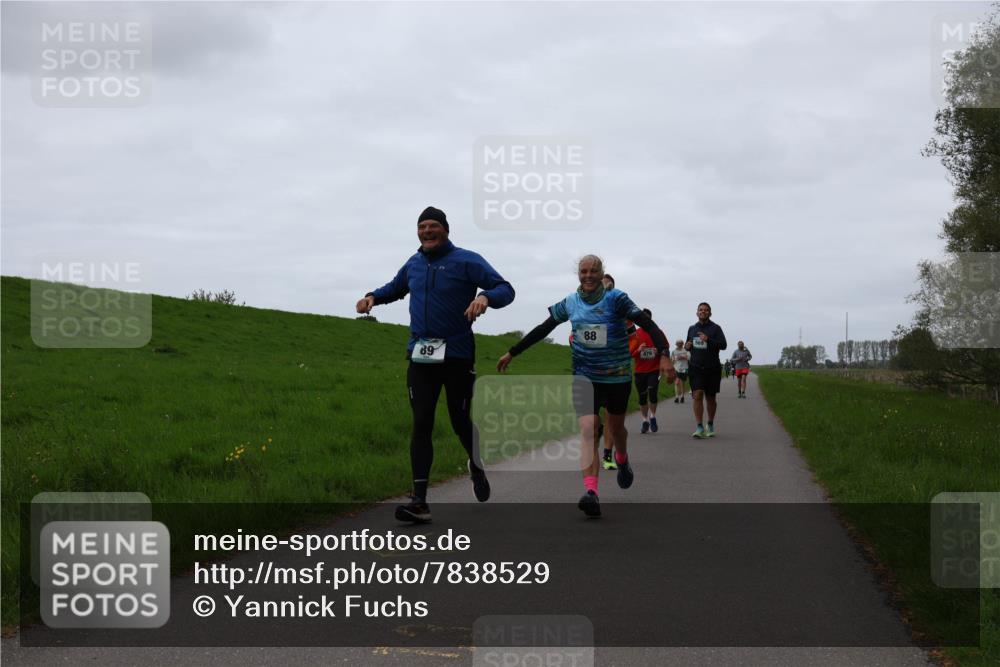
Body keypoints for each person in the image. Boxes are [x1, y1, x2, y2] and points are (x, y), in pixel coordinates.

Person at [357, 206, 515, 523]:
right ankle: (419, 501)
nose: (427, 231)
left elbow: (505, 289)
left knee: (459, 420)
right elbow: (396, 287)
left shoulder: (466, 260)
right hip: (421, 355)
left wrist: (485, 297)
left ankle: (476, 462)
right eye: (422, 226)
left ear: (445, 230)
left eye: (433, 226)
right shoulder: (414, 264)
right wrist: (373, 296)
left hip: (457, 355)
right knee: (422, 422)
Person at [497, 255, 675, 518]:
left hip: (617, 376)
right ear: (578, 274)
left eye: (593, 271)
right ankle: (591, 492)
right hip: (584, 376)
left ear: (601, 273)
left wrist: (664, 354)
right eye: (583, 271)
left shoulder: (617, 299)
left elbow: (648, 324)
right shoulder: (570, 302)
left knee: (616, 428)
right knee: (589, 428)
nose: (588, 275)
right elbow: (544, 328)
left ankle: (623, 459)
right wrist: (513, 352)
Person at [684, 302, 727, 439]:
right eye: (701, 310)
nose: (703, 312)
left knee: (710, 398)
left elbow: (723, 345)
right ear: (697, 313)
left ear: (710, 313)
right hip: (696, 367)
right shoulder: (692, 328)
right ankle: (699, 427)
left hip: (712, 368)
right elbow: (688, 345)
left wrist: (708, 339)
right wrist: (687, 345)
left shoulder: (716, 328)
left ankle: (710, 424)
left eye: (706, 310)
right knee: (697, 395)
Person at [629, 309, 660, 433]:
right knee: (642, 397)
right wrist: (639, 350)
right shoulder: (634, 334)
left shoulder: (657, 332)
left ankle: (652, 416)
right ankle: (644, 420)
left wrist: (658, 350)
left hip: (654, 369)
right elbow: (630, 353)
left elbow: (665, 347)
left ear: (650, 319)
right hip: (640, 370)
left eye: (646, 318)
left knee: (652, 392)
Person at [671, 339, 690, 404]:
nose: (679, 344)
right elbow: (672, 360)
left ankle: (682, 396)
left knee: (682, 383)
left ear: (682, 344)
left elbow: (689, 358)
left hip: (684, 368)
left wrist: (684, 357)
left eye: (681, 343)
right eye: (678, 343)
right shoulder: (674, 351)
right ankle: (676, 397)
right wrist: (676, 358)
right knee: (676, 382)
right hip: (677, 368)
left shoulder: (686, 351)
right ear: (676, 344)